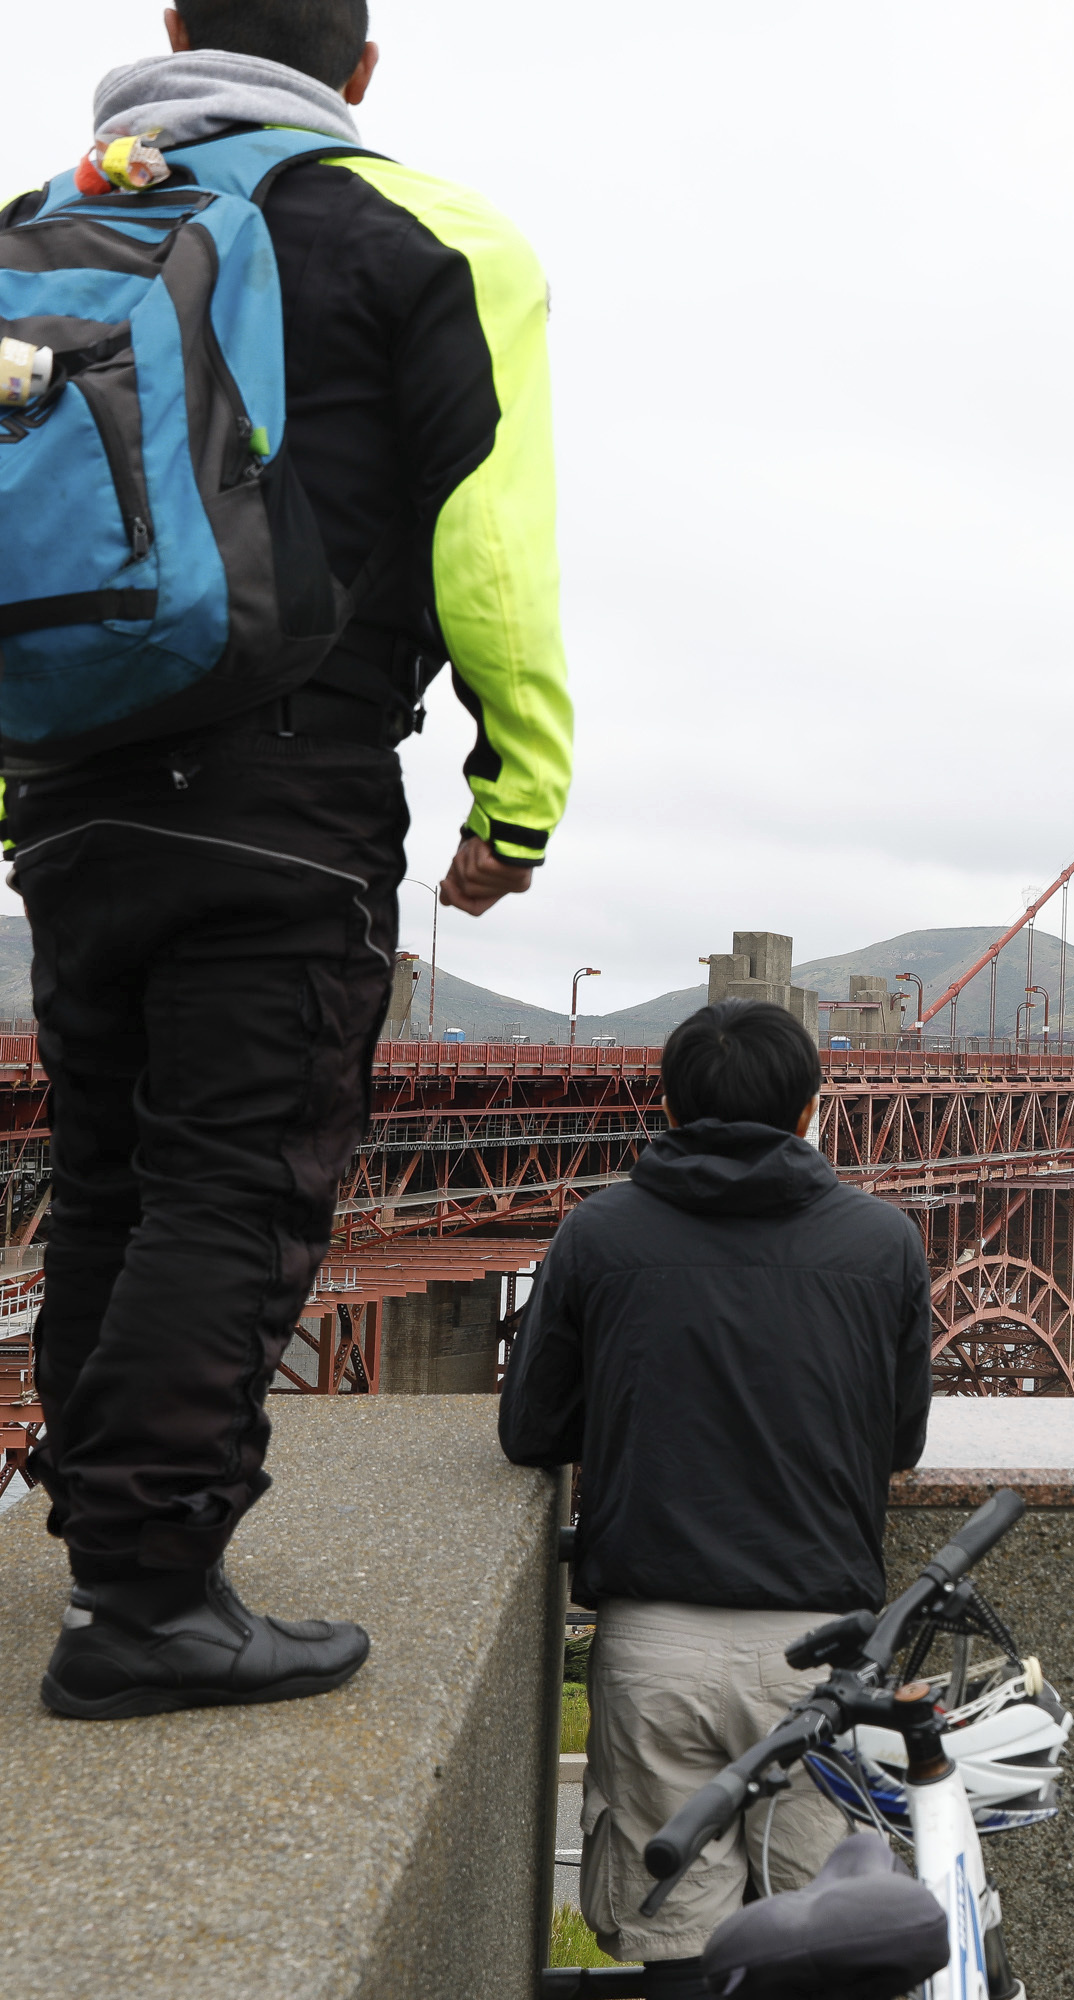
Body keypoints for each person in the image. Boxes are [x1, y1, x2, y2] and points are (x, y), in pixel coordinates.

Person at [16, 0, 571, 1719]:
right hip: (285, 789)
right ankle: (149, 1599)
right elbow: (492, 541)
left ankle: (99, 1521)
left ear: (173, 33)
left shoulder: (46, 223)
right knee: (238, 1186)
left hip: (73, 800)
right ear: (361, 68)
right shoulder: (436, 232)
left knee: (110, 1174)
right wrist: (519, 793)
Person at [499, 1001, 935, 1996]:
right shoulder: (883, 1241)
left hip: (656, 1644)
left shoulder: (598, 1234)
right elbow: (899, 1440)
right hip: (821, 1652)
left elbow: (529, 1429)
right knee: (835, 1953)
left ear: (670, 1104)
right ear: (811, 1108)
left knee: (677, 1952)